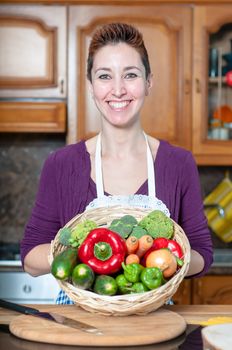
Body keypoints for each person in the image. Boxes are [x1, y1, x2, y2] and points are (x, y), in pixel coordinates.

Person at [20, 22, 213, 304]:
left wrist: (158, 258)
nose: (118, 89)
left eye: (131, 75)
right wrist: (81, 253)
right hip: (79, 326)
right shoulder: (61, 165)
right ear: (91, 86)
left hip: (154, 324)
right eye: (105, 76)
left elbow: (203, 256)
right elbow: (29, 258)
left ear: (149, 82)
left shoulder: (179, 163)